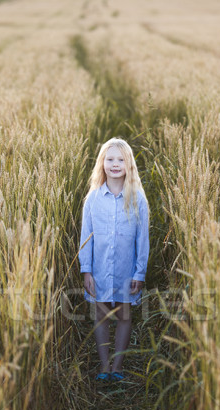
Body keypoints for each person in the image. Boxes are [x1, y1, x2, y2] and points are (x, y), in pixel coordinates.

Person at [79, 137, 149, 382]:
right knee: (100, 316)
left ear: (129, 164)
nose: (115, 164)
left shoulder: (138, 199)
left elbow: (143, 240)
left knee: (123, 315)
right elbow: (86, 236)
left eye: (121, 160)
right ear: (102, 164)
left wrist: (140, 273)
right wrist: (86, 270)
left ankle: (117, 367)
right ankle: (104, 365)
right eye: (110, 159)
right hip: (98, 270)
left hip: (125, 271)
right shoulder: (93, 199)